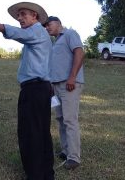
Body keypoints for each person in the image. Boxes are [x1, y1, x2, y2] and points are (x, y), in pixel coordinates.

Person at [0, 2, 54, 180]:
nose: (19, 18)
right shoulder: (39, 35)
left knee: (30, 132)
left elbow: (17, 34)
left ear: (35, 16)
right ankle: (46, 173)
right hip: (40, 89)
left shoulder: (36, 31)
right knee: (41, 131)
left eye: (23, 14)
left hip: (34, 90)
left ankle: (35, 174)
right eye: (18, 15)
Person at [43, 16, 84, 170]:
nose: (47, 27)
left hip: (69, 85)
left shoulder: (70, 34)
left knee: (70, 120)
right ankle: (66, 150)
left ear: (59, 23)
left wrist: (72, 77)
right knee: (60, 119)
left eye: (49, 24)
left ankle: (74, 157)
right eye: (45, 26)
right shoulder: (55, 42)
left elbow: (79, 53)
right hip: (56, 86)